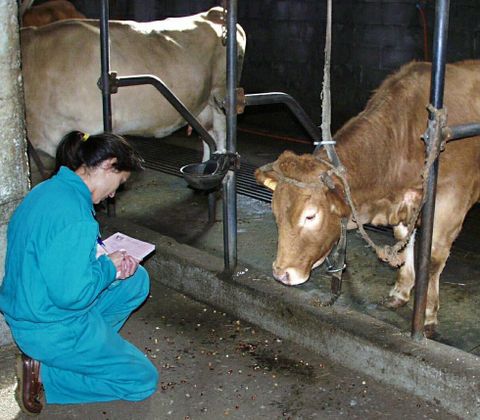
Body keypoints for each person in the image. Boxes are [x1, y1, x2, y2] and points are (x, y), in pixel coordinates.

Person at [0, 131, 158, 415]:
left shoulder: (46, 190)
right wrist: (108, 267)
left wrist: (108, 265)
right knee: (141, 381)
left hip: (31, 309)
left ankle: (86, 352)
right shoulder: (75, 217)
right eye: (117, 184)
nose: (112, 195)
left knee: (135, 280)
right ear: (109, 164)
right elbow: (72, 295)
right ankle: (45, 375)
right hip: (52, 327)